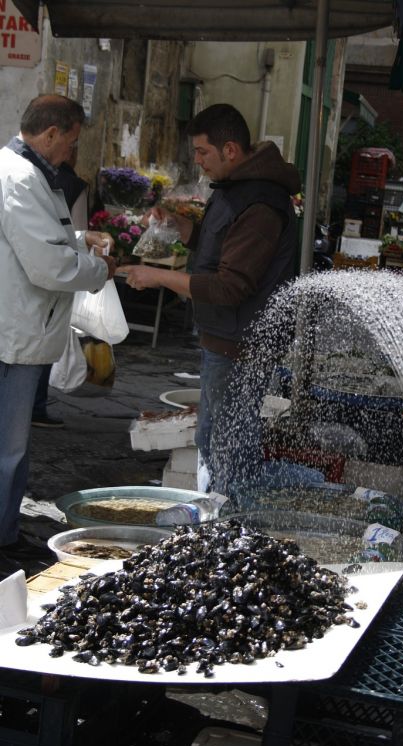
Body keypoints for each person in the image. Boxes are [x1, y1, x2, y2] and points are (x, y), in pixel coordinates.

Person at [121, 103, 301, 492]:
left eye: (203, 153)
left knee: (227, 445)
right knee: (214, 438)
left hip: (242, 344)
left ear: (231, 150)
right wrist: (182, 226)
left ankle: (233, 520)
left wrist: (159, 276)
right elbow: (218, 246)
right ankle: (222, 516)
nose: (198, 162)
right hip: (225, 338)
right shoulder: (234, 189)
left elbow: (229, 286)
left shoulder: (262, 203)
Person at [0, 94, 116, 569]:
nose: (71, 152)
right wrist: (98, 270)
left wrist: (76, 238)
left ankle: (6, 531)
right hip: (15, 333)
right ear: (49, 134)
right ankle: (2, 539)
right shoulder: (20, 177)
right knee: (9, 450)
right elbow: (48, 266)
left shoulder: (27, 173)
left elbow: (35, 236)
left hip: (22, 326)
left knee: (14, 448)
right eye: (70, 142)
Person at [31, 149, 90, 428]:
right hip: (57, 274)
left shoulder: (32, 180)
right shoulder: (74, 186)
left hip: (30, 276)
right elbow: (78, 235)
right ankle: (37, 406)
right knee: (45, 341)